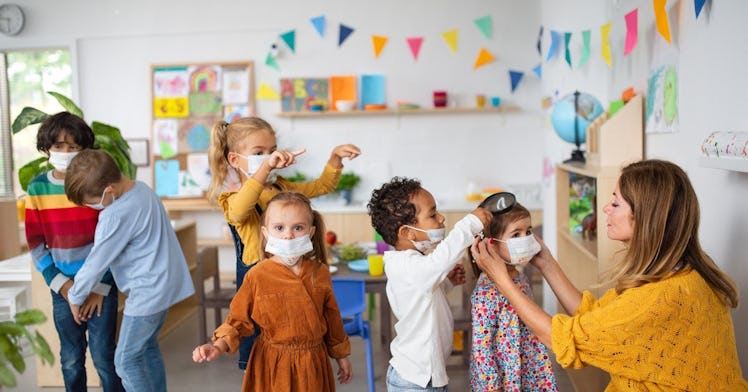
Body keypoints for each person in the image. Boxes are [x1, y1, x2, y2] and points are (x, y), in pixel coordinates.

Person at [471, 159, 748, 390]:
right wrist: (547, 264)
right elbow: (592, 317)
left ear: (645, 218)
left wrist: (503, 281)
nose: (605, 208)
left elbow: (561, 337)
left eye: (616, 203)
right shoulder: (674, 275)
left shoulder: (662, 297)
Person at [207, 116, 360, 369]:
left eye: (271, 150)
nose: (268, 157)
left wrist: (335, 158)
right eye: (259, 153)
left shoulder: (281, 187)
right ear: (234, 160)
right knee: (264, 362)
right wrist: (266, 167)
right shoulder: (233, 199)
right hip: (262, 291)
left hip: (295, 282)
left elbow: (322, 186)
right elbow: (239, 211)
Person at [192, 191, 353, 391]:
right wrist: (217, 346)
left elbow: (332, 318)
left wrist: (341, 355)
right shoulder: (257, 275)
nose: (288, 234)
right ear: (266, 233)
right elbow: (238, 320)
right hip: (272, 363)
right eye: (279, 228)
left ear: (310, 233)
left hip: (312, 362)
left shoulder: (319, 272)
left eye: (298, 227)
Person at [64, 149, 195, 392]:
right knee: (146, 349)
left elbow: (96, 262)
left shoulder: (115, 215)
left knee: (124, 361)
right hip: (165, 287)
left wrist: (75, 296)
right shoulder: (142, 189)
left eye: (89, 201)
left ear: (109, 191)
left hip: (148, 293)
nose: (88, 206)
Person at [24, 112, 124, 391]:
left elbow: (113, 241)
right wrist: (65, 287)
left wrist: (100, 287)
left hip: (100, 287)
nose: (65, 153)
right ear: (47, 149)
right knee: (71, 358)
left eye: (73, 147)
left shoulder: (98, 188)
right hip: (62, 288)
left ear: (85, 149)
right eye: (58, 146)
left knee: (105, 357)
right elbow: (35, 243)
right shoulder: (38, 188)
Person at [367, 177, 492, 391]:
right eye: (433, 214)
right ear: (407, 232)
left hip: (420, 376)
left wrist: (447, 283)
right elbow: (440, 260)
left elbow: (422, 299)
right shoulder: (408, 265)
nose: (441, 218)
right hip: (416, 381)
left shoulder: (410, 265)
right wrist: (469, 223)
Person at [468, 201, 557, 391]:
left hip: (530, 369)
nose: (525, 239)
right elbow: (481, 348)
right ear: (490, 243)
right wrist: (493, 387)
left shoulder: (519, 276)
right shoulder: (487, 291)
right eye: (516, 234)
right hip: (506, 379)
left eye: (528, 231)